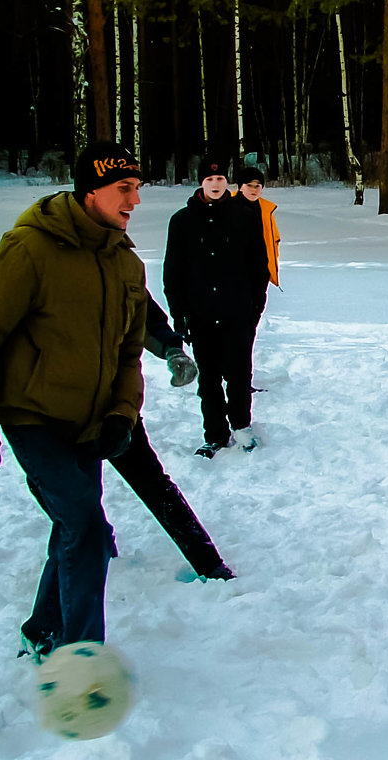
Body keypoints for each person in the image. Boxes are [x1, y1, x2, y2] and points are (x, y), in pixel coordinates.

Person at [0, 140, 147, 661]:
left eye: (137, 189)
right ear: (90, 193)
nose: (134, 201)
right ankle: (81, 658)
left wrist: (123, 415)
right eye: (123, 189)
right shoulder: (30, 248)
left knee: (78, 526)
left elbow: (129, 355)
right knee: (84, 524)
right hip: (31, 416)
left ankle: (41, 629)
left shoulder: (126, 265)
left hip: (91, 421)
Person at [110, 293, 235, 580]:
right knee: (75, 516)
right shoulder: (28, 257)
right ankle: (46, 622)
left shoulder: (118, 259)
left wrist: (171, 349)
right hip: (47, 413)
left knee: (153, 483)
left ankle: (210, 566)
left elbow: (146, 317)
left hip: (114, 401)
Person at [163, 154, 270, 458]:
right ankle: (215, 435)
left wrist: (254, 307)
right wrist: (179, 314)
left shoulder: (245, 217)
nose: (215, 184)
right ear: (201, 183)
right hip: (201, 314)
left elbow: (258, 267)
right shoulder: (182, 221)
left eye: (220, 179)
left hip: (238, 313)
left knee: (238, 375)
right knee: (208, 378)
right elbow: (173, 271)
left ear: (227, 182)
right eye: (209, 179)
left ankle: (242, 426)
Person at [232, 166, 281, 293]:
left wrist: (267, 270)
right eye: (249, 185)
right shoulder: (228, 207)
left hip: (259, 271)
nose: (254, 190)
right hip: (233, 272)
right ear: (240, 186)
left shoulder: (266, 210)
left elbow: (273, 242)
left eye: (257, 186)